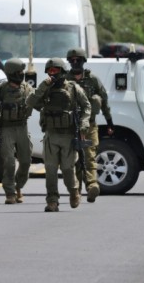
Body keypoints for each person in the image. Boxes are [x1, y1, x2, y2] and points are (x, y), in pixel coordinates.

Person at [26, 57, 91, 212]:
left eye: (55, 70)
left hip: (68, 135)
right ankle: (52, 201)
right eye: (49, 70)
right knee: (50, 169)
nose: (52, 73)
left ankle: (74, 190)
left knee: (68, 169)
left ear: (62, 71)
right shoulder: (45, 88)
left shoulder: (74, 88)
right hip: (51, 135)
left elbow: (86, 106)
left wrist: (84, 124)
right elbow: (30, 101)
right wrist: (43, 86)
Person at [65, 47, 114, 203]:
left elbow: (104, 100)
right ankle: (77, 190)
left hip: (90, 125)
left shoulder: (92, 79)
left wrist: (109, 121)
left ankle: (92, 185)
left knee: (89, 156)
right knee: (75, 159)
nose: (75, 63)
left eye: (78, 60)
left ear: (83, 61)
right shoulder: (65, 80)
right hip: (71, 127)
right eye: (72, 61)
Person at [0, 58, 34, 204]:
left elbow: (37, 101)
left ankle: (18, 186)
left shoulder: (27, 89)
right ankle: (10, 192)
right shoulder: (1, 90)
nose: (22, 74)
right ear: (11, 73)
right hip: (7, 129)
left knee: (25, 162)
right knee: (9, 162)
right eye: (19, 72)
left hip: (22, 128)